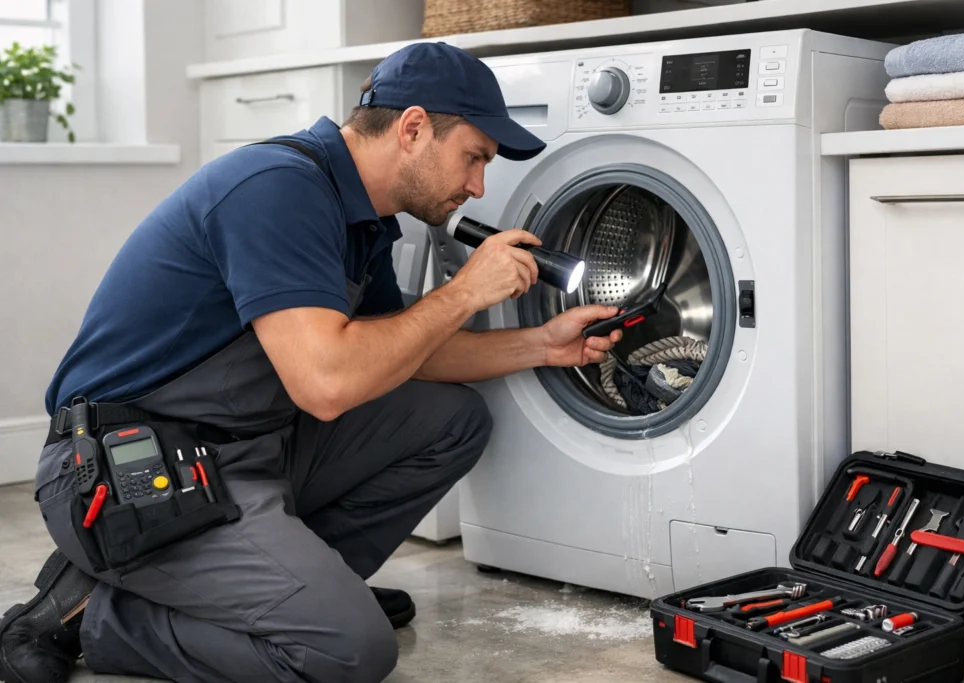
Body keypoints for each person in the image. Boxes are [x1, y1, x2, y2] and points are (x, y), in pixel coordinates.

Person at [0, 42, 623, 683]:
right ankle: (91, 617)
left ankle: (298, 595)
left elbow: (400, 352)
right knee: (350, 651)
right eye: (474, 157)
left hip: (247, 447)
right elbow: (327, 384)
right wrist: (464, 291)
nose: (478, 186)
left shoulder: (365, 218)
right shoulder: (279, 190)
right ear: (412, 129)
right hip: (133, 467)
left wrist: (545, 345)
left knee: (452, 419)